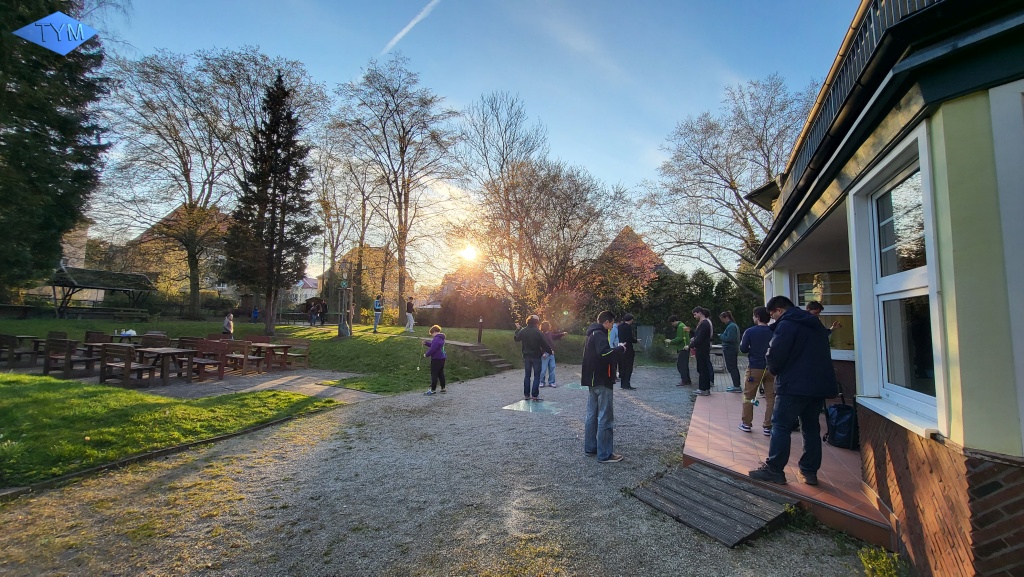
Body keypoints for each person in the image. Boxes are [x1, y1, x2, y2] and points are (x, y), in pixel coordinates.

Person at [749, 296, 838, 486]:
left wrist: (774, 370)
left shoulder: (787, 325)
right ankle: (809, 471)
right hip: (817, 386)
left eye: (773, 315)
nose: (773, 319)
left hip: (792, 386)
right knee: (811, 427)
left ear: (779, 310)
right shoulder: (816, 325)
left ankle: (774, 470)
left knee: (780, 425)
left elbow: (775, 355)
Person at [582, 310, 627, 463]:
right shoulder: (600, 334)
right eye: (612, 323)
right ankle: (605, 454)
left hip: (592, 381)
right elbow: (604, 354)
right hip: (602, 380)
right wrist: (619, 349)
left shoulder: (591, 334)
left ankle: (590, 448)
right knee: (605, 417)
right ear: (606, 322)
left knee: (591, 415)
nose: (612, 326)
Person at [738, 307, 776, 435]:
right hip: (772, 368)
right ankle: (768, 426)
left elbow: (743, 349)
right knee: (771, 398)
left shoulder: (750, 331)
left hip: (755, 367)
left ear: (758, 317)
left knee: (749, 396)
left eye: (754, 316)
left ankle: (746, 424)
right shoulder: (774, 331)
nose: (753, 318)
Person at [514, 315, 553, 401]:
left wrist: (517, 329)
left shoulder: (523, 331)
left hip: (526, 356)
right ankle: (535, 395)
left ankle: (526, 395)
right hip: (536, 356)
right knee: (536, 376)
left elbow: (516, 338)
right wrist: (550, 351)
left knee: (527, 376)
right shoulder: (538, 332)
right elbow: (545, 344)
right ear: (536, 322)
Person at [689, 307, 714, 396]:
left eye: (695, 314)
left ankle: (704, 389)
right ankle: (703, 388)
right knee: (702, 368)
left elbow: (700, 338)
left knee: (703, 369)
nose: (694, 316)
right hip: (701, 349)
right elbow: (697, 335)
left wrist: (690, 346)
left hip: (702, 349)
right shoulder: (703, 323)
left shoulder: (704, 324)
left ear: (699, 313)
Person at [718, 311, 742, 393]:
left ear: (726, 318)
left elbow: (730, 339)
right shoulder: (732, 325)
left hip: (730, 349)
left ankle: (737, 386)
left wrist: (721, 336)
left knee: (732, 367)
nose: (721, 321)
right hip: (731, 349)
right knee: (733, 367)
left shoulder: (731, 327)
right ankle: (736, 385)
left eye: (722, 319)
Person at [664, 315, 691, 386]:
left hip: (683, 348)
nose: (672, 325)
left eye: (672, 323)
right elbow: (687, 336)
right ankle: (687, 380)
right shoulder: (684, 325)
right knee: (685, 364)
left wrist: (670, 341)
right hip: (686, 347)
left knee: (681, 365)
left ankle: (684, 380)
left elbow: (680, 338)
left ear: (675, 321)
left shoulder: (680, 327)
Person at [539, 320, 567, 388]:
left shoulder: (549, 333)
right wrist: (542, 353)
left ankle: (551, 382)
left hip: (551, 353)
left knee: (552, 368)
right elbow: (539, 345)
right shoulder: (541, 334)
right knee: (543, 369)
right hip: (544, 354)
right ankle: (541, 382)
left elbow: (555, 336)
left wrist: (562, 334)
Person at [422, 324, 447, 395]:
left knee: (434, 374)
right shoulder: (441, 338)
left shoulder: (436, 338)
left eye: (432, 333)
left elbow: (433, 349)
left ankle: (433, 390)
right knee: (440, 373)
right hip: (442, 357)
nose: (432, 335)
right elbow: (434, 345)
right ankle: (443, 388)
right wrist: (426, 343)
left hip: (436, 358)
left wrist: (426, 354)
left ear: (435, 331)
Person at [617, 314, 639, 390]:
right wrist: (636, 341)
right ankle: (627, 384)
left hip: (620, 348)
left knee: (622, 366)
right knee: (628, 367)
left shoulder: (619, 326)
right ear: (631, 320)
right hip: (628, 348)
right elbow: (629, 338)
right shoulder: (628, 327)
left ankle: (623, 384)